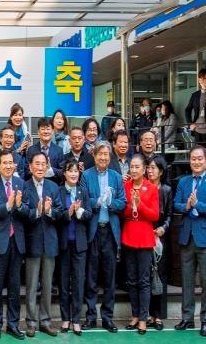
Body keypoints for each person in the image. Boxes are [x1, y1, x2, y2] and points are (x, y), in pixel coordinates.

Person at [80, 141, 126, 333]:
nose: (103, 158)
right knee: (91, 277)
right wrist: (98, 202)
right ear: (95, 156)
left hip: (110, 232)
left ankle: (107, 317)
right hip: (93, 231)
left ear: (110, 157)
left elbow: (123, 201)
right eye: (100, 154)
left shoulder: (116, 177)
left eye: (107, 154)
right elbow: (83, 199)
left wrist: (111, 202)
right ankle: (91, 316)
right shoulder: (86, 175)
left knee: (109, 277)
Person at [19, 152, 63, 337]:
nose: (39, 167)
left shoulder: (53, 187)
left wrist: (49, 211)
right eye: (36, 164)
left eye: (42, 164)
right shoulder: (24, 186)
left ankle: (45, 321)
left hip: (50, 242)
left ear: (47, 166)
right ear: (30, 166)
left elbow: (60, 212)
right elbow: (21, 211)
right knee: (31, 285)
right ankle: (30, 322)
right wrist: (36, 212)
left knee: (47, 285)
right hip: (32, 241)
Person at [0, 150, 26, 341]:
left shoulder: (20, 183)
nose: (9, 166)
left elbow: (27, 211)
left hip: (16, 241)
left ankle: (13, 324)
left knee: (15, 286)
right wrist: (8, 206)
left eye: (11, 162)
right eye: (5, 163)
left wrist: (19, 206)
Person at [121, 154, 159, 335]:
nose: (134, 170)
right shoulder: (126, 186)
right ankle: (135, 314)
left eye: (138, 167)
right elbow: (122, 212)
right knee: (131, 279)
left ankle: (143, 318)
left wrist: (140, 204)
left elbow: (155, 215)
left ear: (144, 169)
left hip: (144, 238)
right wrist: (131, 206)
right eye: (132, 167)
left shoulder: (151, 188)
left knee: (143, 281)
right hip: (129, 236)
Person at [173, 145, 206, 336]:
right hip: (186, 238)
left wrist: (197, 205)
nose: (196, 161)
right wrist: (186, 206)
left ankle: (205, 320)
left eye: (200, 158)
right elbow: (176, 204)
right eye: (193, 158)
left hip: (204, 238)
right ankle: (187, 318)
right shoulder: (184, 182)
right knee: (187, 281)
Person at [58, 158, 92, 336]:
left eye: (75, 171)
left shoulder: (83, 191)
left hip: (80, 244)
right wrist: (68, 212)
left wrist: (79, 211)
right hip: (64, 244)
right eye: (70, 171)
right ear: (64, 173)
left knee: (78, 282)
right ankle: (65, 318)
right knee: (64, 282)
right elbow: (55, 214)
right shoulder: (59, 191)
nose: (73, 174)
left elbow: (89, 214)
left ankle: (77, 320)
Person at [146, 155, 173, 330]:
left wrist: (163, 228)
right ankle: (148, 314)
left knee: (160, 276)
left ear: (161, 172)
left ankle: (159, 316)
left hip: (160, 237)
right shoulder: (144, 187)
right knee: (147, 276)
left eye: (153, 168)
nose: (150, 171)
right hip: (145, 235)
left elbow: (169, 214)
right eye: (148, 167)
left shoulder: (166, 190)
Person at [25, 117, 64, 185]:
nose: (45, 132)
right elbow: (26, 172)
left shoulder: (59, 150)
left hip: (53, 187)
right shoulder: (31, 150)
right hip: (34, 186)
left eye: (48, 129)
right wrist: (37, 169)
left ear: (52, 131)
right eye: (43, 129)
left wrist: (50, 170)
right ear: (38, 132)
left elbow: (63, 173)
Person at [185, 69, 206, 145]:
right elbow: (187, 110)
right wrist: (190, 124)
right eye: (205, 78)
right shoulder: (195, 95)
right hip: (198, 130)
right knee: (198, 150)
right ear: (199, 80)